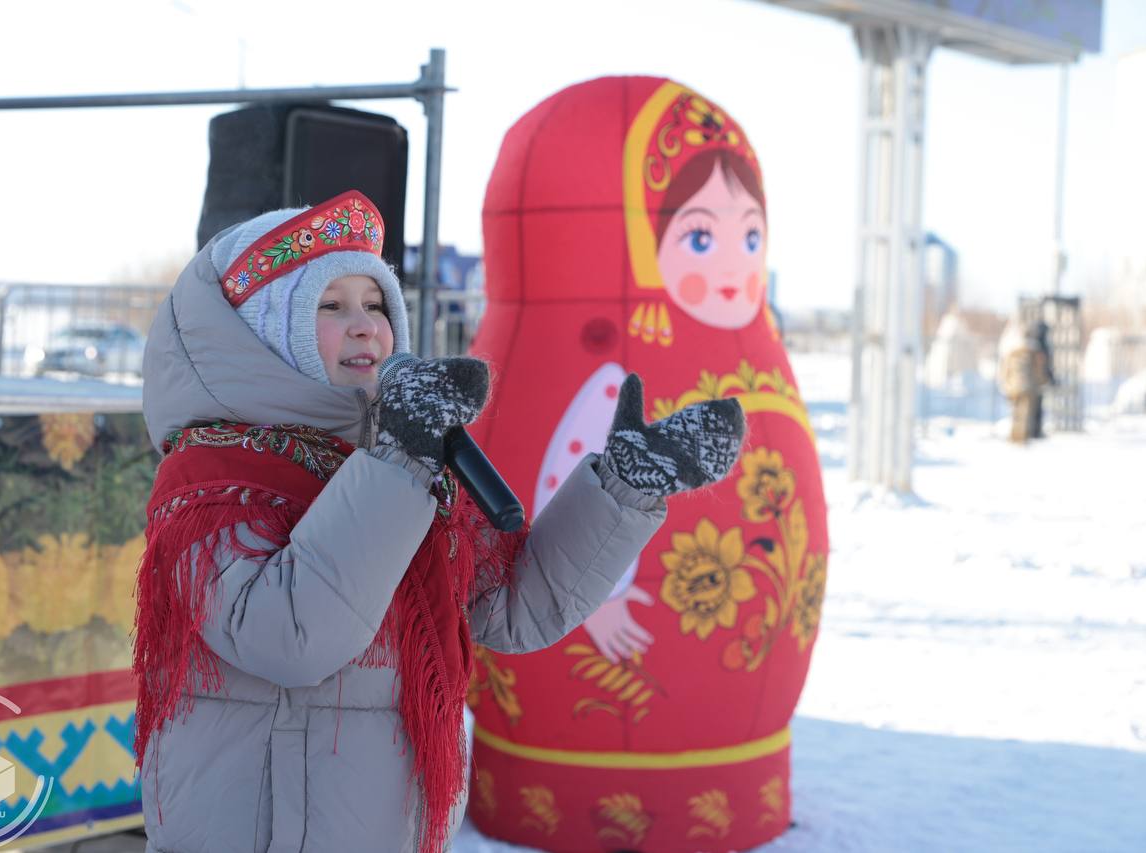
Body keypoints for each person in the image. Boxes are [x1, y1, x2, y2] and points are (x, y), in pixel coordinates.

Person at [131, 189, 745, 853]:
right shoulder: (207, 479)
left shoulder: (395, 467)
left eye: (375, 304)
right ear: (264, 335)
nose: (364, 325)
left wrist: (623, 488)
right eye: (330, 306)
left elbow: (516, 606)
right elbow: (288, 635)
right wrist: (399, 459)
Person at [467, 78, 829, 852]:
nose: (732, 264)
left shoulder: (747, 351)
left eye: (749, 237)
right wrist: (595, 599)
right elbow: (557, 481)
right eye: (700, 239)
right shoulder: (606, 374)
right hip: (584, 632)